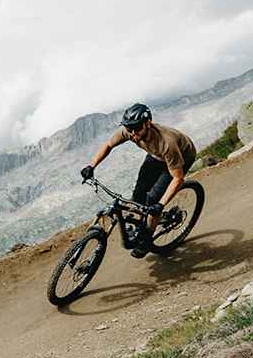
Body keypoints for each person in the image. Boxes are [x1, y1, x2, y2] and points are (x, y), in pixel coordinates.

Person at [80, 103, 197, 258]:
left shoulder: (166, 142)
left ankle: (147, 240)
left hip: (181, 156)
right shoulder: (129, 130)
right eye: (130, 129)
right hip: (155, 156)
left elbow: (178, 178)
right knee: (139, 193)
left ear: (147, 123)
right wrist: (92, 165)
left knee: (153, 199)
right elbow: (108, 145)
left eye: (137, 128)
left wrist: (160, 205)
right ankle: (142, 223)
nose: (133, 134)